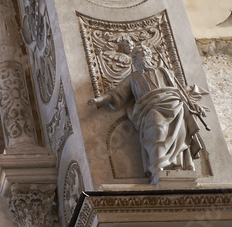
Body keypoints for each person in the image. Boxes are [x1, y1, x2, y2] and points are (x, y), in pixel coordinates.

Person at [88, 44, 207, 178]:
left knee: (179, 133)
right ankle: (158, 164)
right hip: (150, 107)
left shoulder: (165, 71)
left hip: (174, 103)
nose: (144, 52)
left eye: (146, 51)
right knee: (156, 130)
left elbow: (179, 91)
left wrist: (195, 105)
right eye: (140, 52)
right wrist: (100, 100)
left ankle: (178, 165)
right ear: (134, 58)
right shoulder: (133, 78)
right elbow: (116, 93)